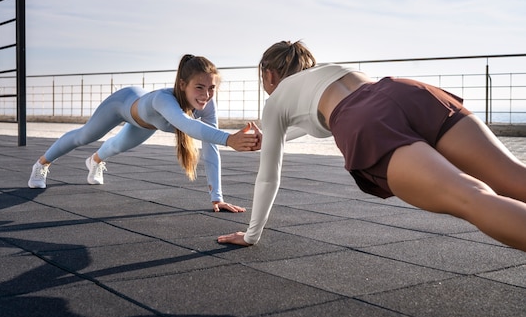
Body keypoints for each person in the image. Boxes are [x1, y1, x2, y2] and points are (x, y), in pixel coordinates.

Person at [218, 40, 526, 251]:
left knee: (472, 198)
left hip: (363, 120)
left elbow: (269, 177)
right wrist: (274, 138)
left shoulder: (277, 100)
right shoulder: (326, 71)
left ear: (268, 74)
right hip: (403, 91)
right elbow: (309, 122)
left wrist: (251, 234)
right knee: (512, 175)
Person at [28, 54, 261, 213]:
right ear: (182, 85)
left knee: (118, 146)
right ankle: (41, 164)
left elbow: (210, 147)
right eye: (199, 87)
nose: (207, 94)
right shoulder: (164, 99)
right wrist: (229, 139)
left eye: (211, 88)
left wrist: (217, 198)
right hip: (121, 104)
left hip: (145, 124)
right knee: (84, 137)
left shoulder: (208, 105)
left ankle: (95, 160)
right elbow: (188, 126)